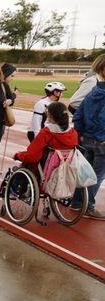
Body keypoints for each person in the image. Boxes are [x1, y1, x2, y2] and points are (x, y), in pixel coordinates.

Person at [72, 54, 105, 220]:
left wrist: (81, 134)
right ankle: (88, 207)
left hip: (87, 139)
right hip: (101, 141)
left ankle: (77, 203)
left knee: (84, 173)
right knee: (96, 175)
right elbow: (103, 118)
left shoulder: (93, 92)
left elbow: (78, 115)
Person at [15, 101, 78, 173]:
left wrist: (18, 155)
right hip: (69, 170)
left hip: (47, 172)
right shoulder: (73, 133)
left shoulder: (46, 133)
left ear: (50, 116)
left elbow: (32, 156)